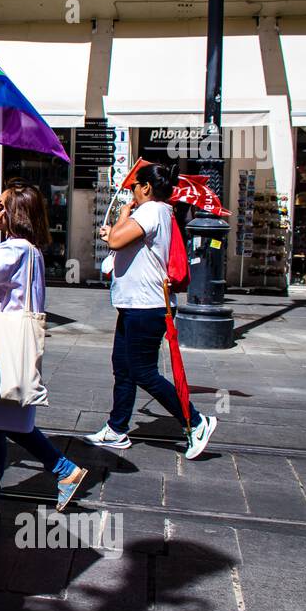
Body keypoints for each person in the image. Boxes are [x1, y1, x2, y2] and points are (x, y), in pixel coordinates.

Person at [0, 181, 88, 518]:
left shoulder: (13, 250)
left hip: (1, 347)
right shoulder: (31, 251)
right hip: (16, 344)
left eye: (1, 206)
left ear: (14, 213)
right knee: (4, 423)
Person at [86, 162, 217, 459]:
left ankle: (196, 422)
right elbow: (123, 241)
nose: (132, 190)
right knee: (123, 365)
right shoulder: (155, 212)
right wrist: (122, 216)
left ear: (145, 187)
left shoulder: (152, 210)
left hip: (147, 305)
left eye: (135, 185)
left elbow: (117, 239)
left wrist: (114, 228)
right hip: (136, 304)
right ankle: (117, 428)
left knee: (143, 372)